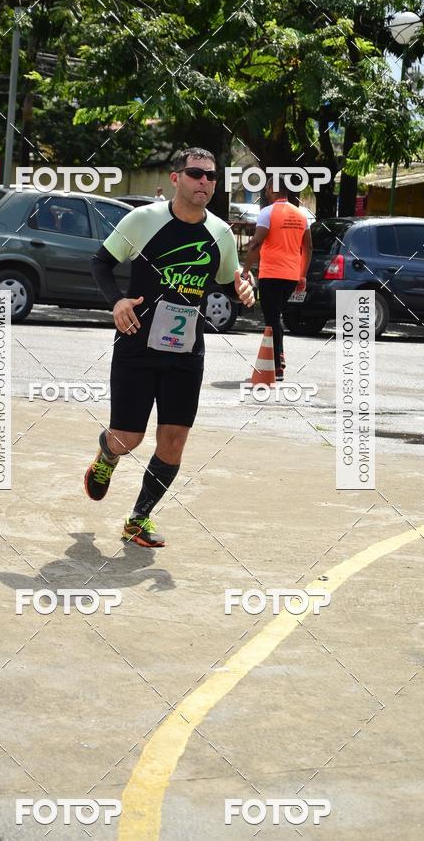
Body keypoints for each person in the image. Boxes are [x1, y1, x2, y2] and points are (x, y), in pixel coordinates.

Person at [84, 147, 255, 548]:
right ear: (176, 178)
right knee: (128, 438)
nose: (205, 182)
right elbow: (99, 263)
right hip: (137, 344)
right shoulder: (144, 220)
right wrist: (116, 301)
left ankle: (138, 519)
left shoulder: (221, 233)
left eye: (212, 176)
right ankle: (107, 455)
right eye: (196, 174)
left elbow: (229, 279)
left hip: (185, 352)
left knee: (174, 438)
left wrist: (242, 288)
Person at [242, 176, 312, 380]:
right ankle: (277, 358)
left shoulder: (267, 213)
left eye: (267, 189)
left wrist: (246, 269)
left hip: (271, 274)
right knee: (276, 315)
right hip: (291, 276)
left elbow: (256, 243)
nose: (265, 193)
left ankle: (277, 364)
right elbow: (307, 247)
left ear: (273, 189)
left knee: (272, 319)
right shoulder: (301, 215)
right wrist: (302, 275)